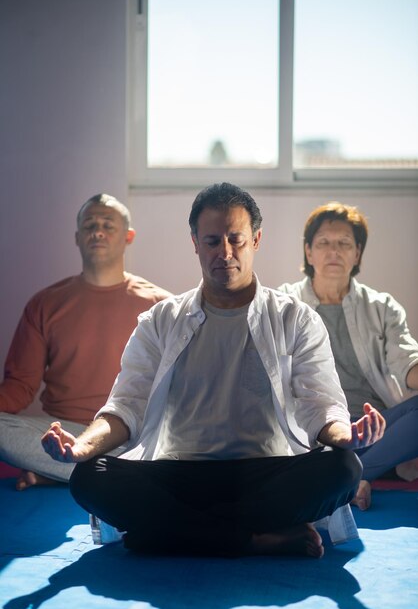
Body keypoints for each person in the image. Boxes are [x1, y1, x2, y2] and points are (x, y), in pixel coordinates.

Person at [42, 183, 385, 559]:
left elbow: (319, 406)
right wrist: (80, 447)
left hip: (267, 472)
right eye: (211, 241)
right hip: (179, 473)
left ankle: (166, 535)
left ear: (256, 239)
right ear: (194, 243)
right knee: (90, 478)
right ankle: (254, 539)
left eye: (236, 239)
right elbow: (126, 407)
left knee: (343, 468)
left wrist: (346, 435)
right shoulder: (160, 320)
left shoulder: (295, 318)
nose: (225, 253)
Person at [0, 193, 171, 491]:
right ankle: (88, 468)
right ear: (78, 237)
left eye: (108, 224)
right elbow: (20, 386)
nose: (98, 231)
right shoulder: (45, 304)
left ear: (128, 237)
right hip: (60, 431)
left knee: (176, 446)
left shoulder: (161, 306)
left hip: (128, 435)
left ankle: (60, 470)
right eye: (90, 225)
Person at [279, 201, 418, 511]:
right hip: (316, 429)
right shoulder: (283, 303)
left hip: (375, 427)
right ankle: (357, 472)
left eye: (344, 243)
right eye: (324, 243)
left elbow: (407, 363)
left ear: (357, 254)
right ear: (309, 252)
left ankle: (349, 476)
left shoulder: (382, 306)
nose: (334, 251)